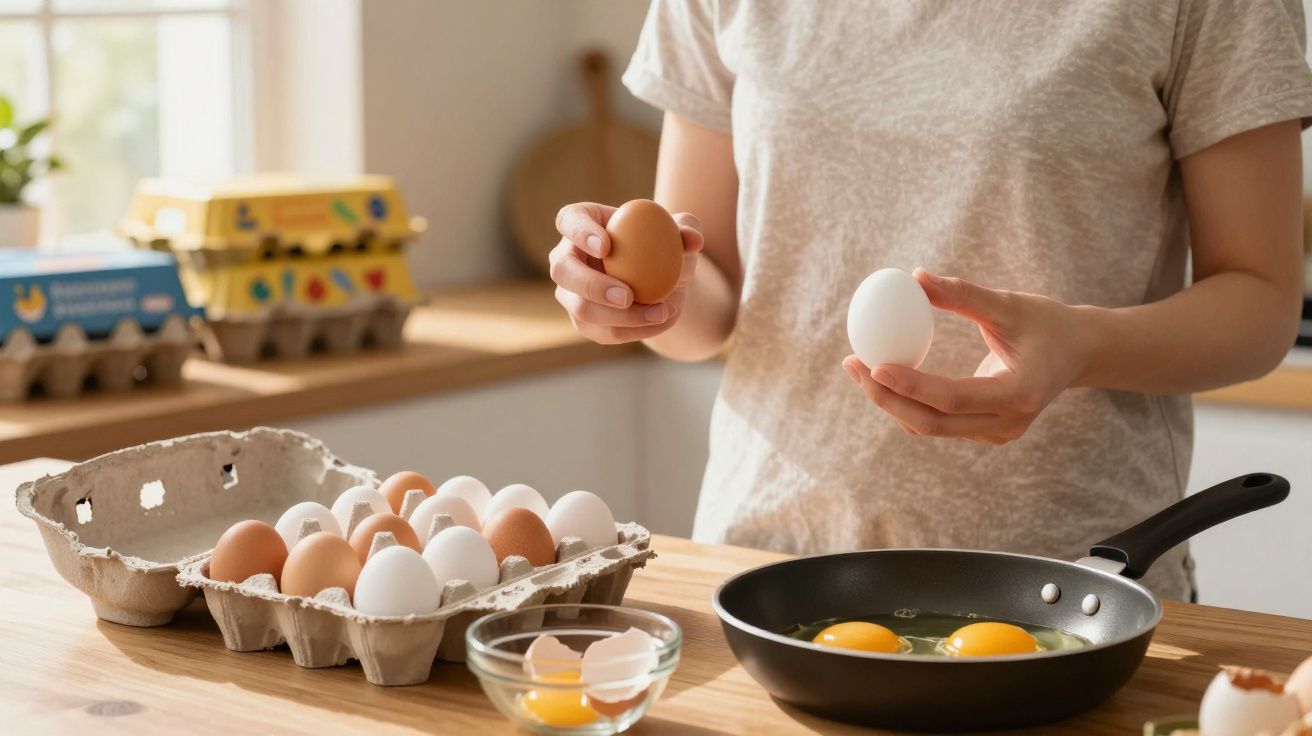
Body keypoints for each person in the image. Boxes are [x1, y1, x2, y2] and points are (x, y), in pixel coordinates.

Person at [548, 0, 1312, 599]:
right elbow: (704, 288)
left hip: (1069, 585)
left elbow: (1260, 299)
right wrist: (640, 294)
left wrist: (1083, 346)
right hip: (767, 568)